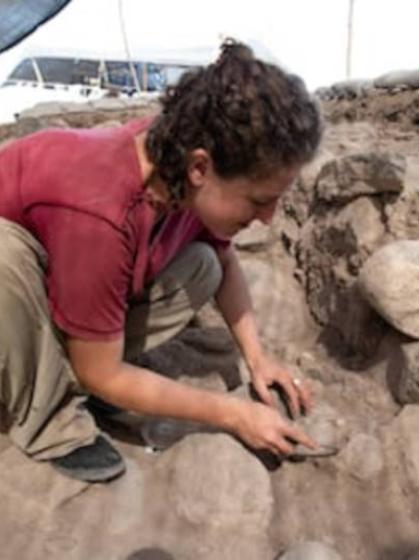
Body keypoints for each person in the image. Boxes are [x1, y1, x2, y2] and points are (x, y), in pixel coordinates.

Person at [0, 39, 323, 482]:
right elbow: (102, 371)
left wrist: (258, 359)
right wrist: (233, 414)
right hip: (16, 290)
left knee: (204, 265)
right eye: (259, 200)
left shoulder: (177, 158)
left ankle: (76, 369)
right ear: (200, 168)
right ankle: (50, 420)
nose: (267, 218)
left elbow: (225, 265)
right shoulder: (100, 211)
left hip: (70, 280)